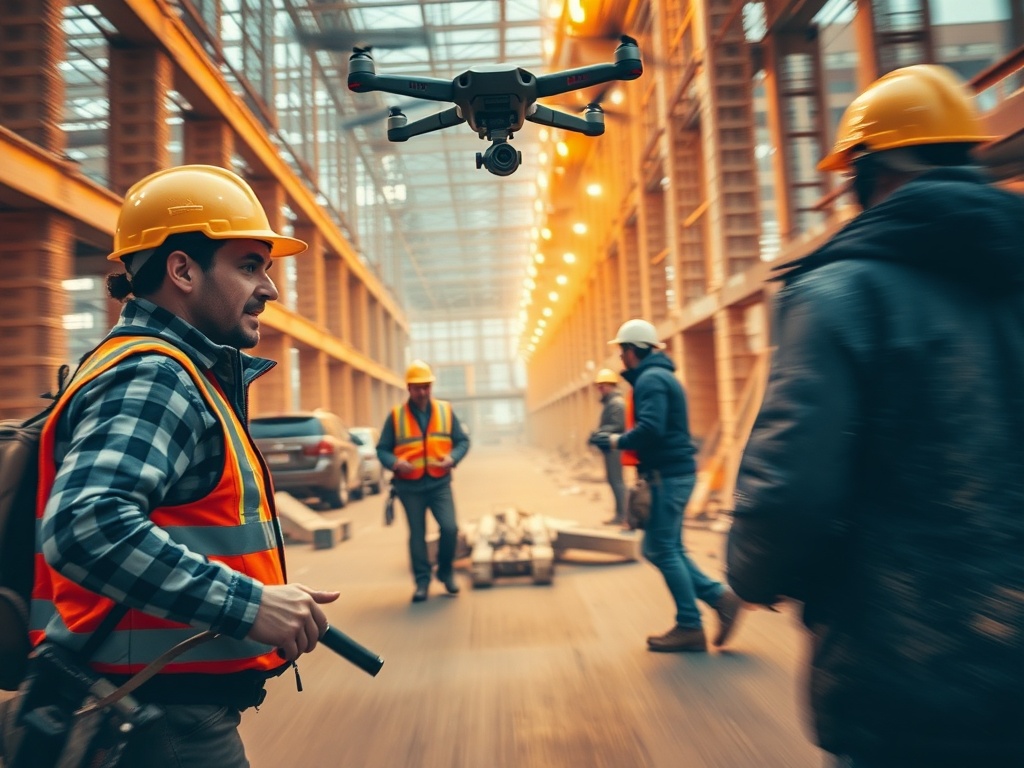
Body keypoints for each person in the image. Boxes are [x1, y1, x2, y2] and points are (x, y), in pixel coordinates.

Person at [726, 64, 1024, 767]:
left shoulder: (839, 295)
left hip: (907, 673)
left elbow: (791, 490)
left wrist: (750, 570)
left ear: (872, 172)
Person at [3, 165, 340, 768]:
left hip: (149, 714)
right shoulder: (153, 375)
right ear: (182, 270)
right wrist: (249, 605)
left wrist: (261, 590)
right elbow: (87, 525)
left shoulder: (164, 369)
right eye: (248, 266)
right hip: (158, 725)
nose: (270, 289)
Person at [591, 319, 743, 652]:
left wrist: (614, 441)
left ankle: (691, 624)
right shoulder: (658, 376)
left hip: (668, 477)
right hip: (672, 474)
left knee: (659, 549)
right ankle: (720, 599)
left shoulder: (651, 379)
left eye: (622, 351)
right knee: (670, 548)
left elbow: (651, 429)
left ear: (631, 351)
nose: (620, 358)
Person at [376, 360, 471, 603]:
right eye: (418, 387)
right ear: (409, 388)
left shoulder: (445, 411)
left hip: (440, 482)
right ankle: (422, 582)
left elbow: (462, 441)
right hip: (410, 486)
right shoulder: (396, 416)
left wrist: (453, 458)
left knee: (450, 528)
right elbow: (382, 449)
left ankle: (446, 573)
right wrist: (396, 463)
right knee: (417, 534)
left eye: (427, 386)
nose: (423, 392)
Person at [588, 367, 628, 525]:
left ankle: (623, 515)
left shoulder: (617, 403)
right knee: (614, 480)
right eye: (599, 386)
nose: (600, 389)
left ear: (611, 385)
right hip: (610, 447)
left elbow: (618, 425)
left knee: (617, 481)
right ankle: (621, 514)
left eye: (602, 386)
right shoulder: (611, 403)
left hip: (614, 447)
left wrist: (599, 433)